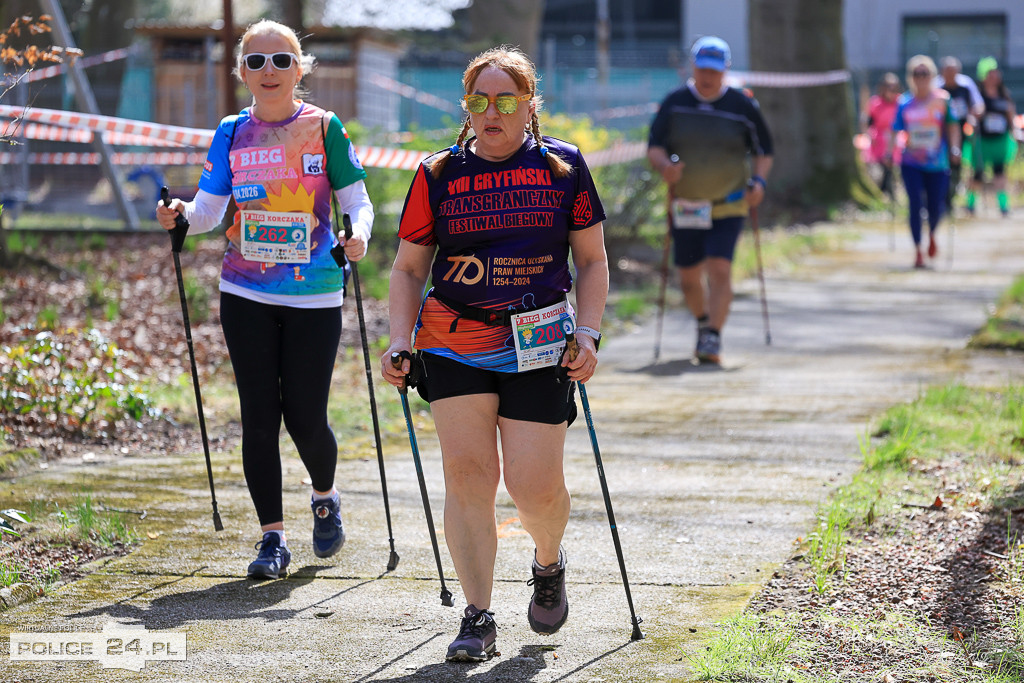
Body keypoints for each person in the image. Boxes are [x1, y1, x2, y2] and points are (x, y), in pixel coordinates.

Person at [380, 46, 608, 663]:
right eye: (478, 100)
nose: (491, 113)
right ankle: (477, 615)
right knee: (468, 476)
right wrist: (399, 340)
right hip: (454, 339)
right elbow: (408, 269)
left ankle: (548, 560)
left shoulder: (563, 168)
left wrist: (588, 334)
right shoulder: (437, 175)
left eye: (506, 101)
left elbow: (591, 261)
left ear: (530, 106)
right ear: (466, 107)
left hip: (540, 342)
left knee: (534, 489)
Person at [157, 19, 374, 580]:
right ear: (242, 72)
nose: (269, 70)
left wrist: (358, 235)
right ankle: (272, 537)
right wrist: (180, 213)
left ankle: (324, 497)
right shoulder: (232, 131)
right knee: (258, 416)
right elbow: (209, 211)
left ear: (300, 69)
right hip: (245, 290)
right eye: (256, 61)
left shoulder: (323, 127)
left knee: (305, 417)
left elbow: (358, 201)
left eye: (281, 60)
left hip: (314, 294)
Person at [647, 36, 773, 365]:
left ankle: (713, 336)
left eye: (715, 71)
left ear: (726, 70)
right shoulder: (675, 103)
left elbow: (764, 150)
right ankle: (703, 323)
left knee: (720, 268)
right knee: (689, 278)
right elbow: (655, 146)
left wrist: (759, 181)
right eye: (703, 69)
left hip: (729, 202)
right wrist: (664, 167)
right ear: (693, 67)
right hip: (688, 204)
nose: (708, 76)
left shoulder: (742, 105)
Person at [891, 55, 960, 268]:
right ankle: (918, 250)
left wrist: (955, 148)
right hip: (910, 162)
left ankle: (931, 233)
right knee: (914, 203)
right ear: (910, 77)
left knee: (936, 205)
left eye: (925, 73)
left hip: (938, 162)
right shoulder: (904, 102)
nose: (920, 78)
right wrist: (890, 152)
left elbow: (953, 126)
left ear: (932, 75)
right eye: (916, 74)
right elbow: (895, 130)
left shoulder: (943, 100)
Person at [966, 57, 1017, 217]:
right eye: (990, 73)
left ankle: (1003, 207)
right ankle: (970, 205)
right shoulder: (978, 96)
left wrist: (1015, 132)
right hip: (982, 142)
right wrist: (973, 119)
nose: (994, 76)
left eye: (995, 73)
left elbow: (1011, 117)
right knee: (977, 174)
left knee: (999, 173)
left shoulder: (1004, 96)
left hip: (1000, 142)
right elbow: (971, 115)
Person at [936, 57, 983, 211]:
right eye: (947, 71)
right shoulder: (937, 87)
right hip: (940, 134)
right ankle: (940, 199)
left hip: (962, 132)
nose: (950, 74)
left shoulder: (966, 85)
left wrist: (973, 116)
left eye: (953, 71)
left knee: (958, 164)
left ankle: (951, 199)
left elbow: (978, 105)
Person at [861, 72, 902, 197]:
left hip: (896, 139)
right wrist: (868, 136)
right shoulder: (875, 103)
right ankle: (883, 191)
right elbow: (867, 122)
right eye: (888, 87)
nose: (891, 91)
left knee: (891, 166)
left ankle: (888, 190)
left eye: (894, 88)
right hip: (879, 139)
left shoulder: (901, 102)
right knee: (882, 166)